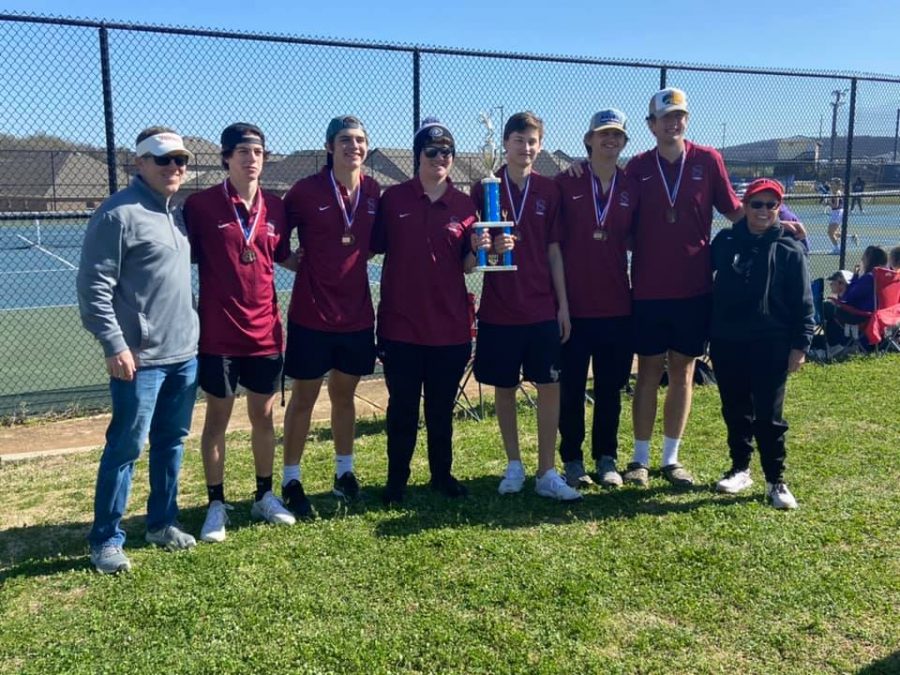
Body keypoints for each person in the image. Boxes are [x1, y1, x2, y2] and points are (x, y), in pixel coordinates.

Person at [76, 127, 199, 573]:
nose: (174, 168)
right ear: (140, 163)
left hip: (184, 354)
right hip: (140, 360)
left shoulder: (178, 213)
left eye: (181, 160)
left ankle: (161, 522)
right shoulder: (117, 215)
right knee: (126, 447)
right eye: (164, 160)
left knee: (172, 443)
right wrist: (115, 344)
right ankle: (106, 539)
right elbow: (93, 287)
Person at [622, 88, 743, 488]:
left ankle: (671, 459)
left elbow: (734, 211)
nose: (673, 123)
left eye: (680, 116)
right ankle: (640, 460)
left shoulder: (708, 160)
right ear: (651, 125)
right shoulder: (636, 167)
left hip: (694, 289)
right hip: (648, 290)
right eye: (665, 117)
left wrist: (778, 218)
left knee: (683, 372)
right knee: (648, 372)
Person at [182, 123, 295, 543]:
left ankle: (265, 495)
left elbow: (284, 257)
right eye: (243, 151)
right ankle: (216, 503)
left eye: (258, 151)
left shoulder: (278, 209)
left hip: (265, 333)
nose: (251, 158)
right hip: (218, 336)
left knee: (263, 418)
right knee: (217, 420)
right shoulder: (201, 206)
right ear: (226, 158)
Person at [469, 111, 579, 502]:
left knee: (550, 384)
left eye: (533, 141)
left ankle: (547, 470)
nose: (526, 147)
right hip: (499, 308)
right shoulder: (484, 186)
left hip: (540, 307)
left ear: (541, 144)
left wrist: (562, 305)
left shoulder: (549, 190)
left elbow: (554, 251)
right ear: (506, 143)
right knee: (504, 386)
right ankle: (514, 463)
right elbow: (475, 243)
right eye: (519, 140)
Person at [372, 118, 477, 505]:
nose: (440, 158)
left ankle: (441, 474)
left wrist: (484, 248)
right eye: (431, 152)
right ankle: (396, 480)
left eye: (446, 152)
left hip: (449, 327)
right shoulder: (394, 199)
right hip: (401, 326)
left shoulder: (465, 205)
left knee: (440, 410)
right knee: (401, 409)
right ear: (418, 156)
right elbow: (371, 249)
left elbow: (469, 264)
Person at [279, 116, 381, 514]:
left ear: (366, 148)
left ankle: (344, 472)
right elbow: (274, 238)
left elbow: (373, 245)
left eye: (359, 140)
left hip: (356, 315)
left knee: (344, 395)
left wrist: (349, 261)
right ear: (328, 146)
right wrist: (295, 263)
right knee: (305, 397)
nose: (352, 146)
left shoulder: (374, 191)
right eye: (344, 140)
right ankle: (291, 478)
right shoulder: (305, 191)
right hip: (311, 314)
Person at [709, 178, 814, 509]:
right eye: (757, 204)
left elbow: (803, 302)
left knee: (769, 415)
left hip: (771, 342)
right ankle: (740, 468)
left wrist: (801, 345)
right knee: (735, 409)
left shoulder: (789, 248)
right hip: (728, 340)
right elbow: (700, 280)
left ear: (779, 210)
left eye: (772, 205)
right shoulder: (725, 242)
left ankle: (775, 480)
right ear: (744, 206)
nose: (764, 211)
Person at [554, 109, 637, 490]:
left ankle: (607, 458)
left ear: (624, 142)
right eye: (603, 134)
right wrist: (560, 305)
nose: (610, 140)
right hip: (575, 307)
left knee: (610, 389)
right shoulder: (565, 181)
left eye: (617, 135)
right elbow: (552, 242)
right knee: (571, 388)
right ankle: (571, 457)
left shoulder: (632, 185)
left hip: (617, 305)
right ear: (588, 139)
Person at [827, 178, 844, 254]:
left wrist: (828, 203)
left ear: (837, 185)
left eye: (833, 184)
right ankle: (851, 237)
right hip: (836, 212)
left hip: (837, 213)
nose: (831, 185)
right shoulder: (834, 192)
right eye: (831, 183)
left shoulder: (836, 192)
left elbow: (835, 205)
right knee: (833, 232)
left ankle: (837, 249)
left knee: (830, 232)